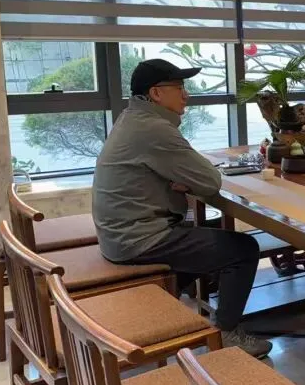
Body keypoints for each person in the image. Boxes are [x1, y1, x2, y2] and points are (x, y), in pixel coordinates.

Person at [93, 59, 271, 358]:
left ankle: (170, 305)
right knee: (243, 249)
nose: (186, 95)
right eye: (178, 87)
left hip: (118, 232)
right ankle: (226, 333)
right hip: (136, 238)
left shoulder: (133, 119)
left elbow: (192, 174)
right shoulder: (153, 129)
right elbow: (210, 181)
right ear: (156, 93)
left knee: (204, 236)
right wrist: (188, 180)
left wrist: (184, 180)